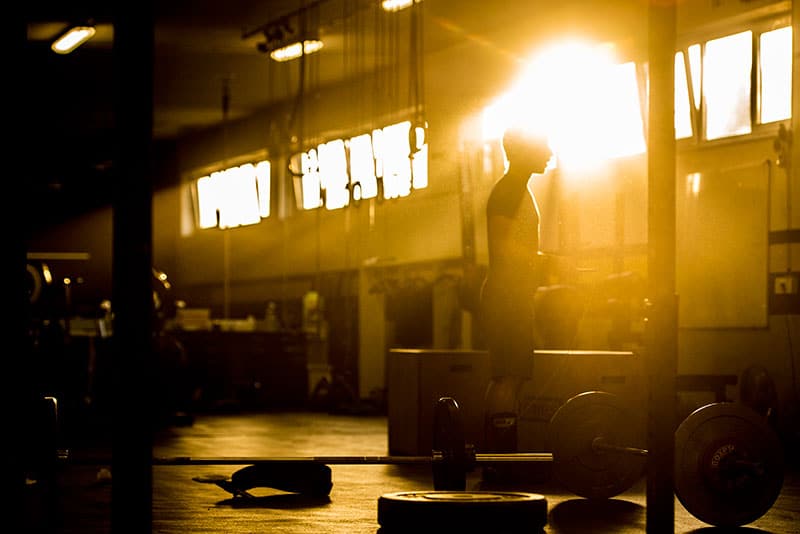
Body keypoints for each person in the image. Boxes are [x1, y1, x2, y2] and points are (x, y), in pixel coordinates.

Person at [480, 126, 553, 455]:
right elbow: (504, 248)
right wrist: (552, 263)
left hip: (515, 295)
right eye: (544, 147)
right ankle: (501, 454)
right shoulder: (508, 191)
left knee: (510, 377)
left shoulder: (519, 191)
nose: (550, 153)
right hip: (506, 296)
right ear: (525, 153)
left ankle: (498, 451)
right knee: (508, 377)